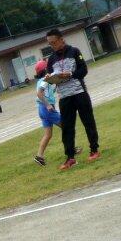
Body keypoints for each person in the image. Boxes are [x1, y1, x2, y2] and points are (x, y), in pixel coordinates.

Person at [45, 28, 100, 170]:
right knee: (67, 128)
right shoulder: (51, 59)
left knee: (88, 122)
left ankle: (94, 150)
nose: (52, 46)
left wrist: (70, 74)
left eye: (54, 42)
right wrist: (49, 78)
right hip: (64, 97)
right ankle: (70, 158)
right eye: (50, 44)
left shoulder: (74, 51)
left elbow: (84, 70)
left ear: (61, 39)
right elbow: (50, 77)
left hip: (79, 93)